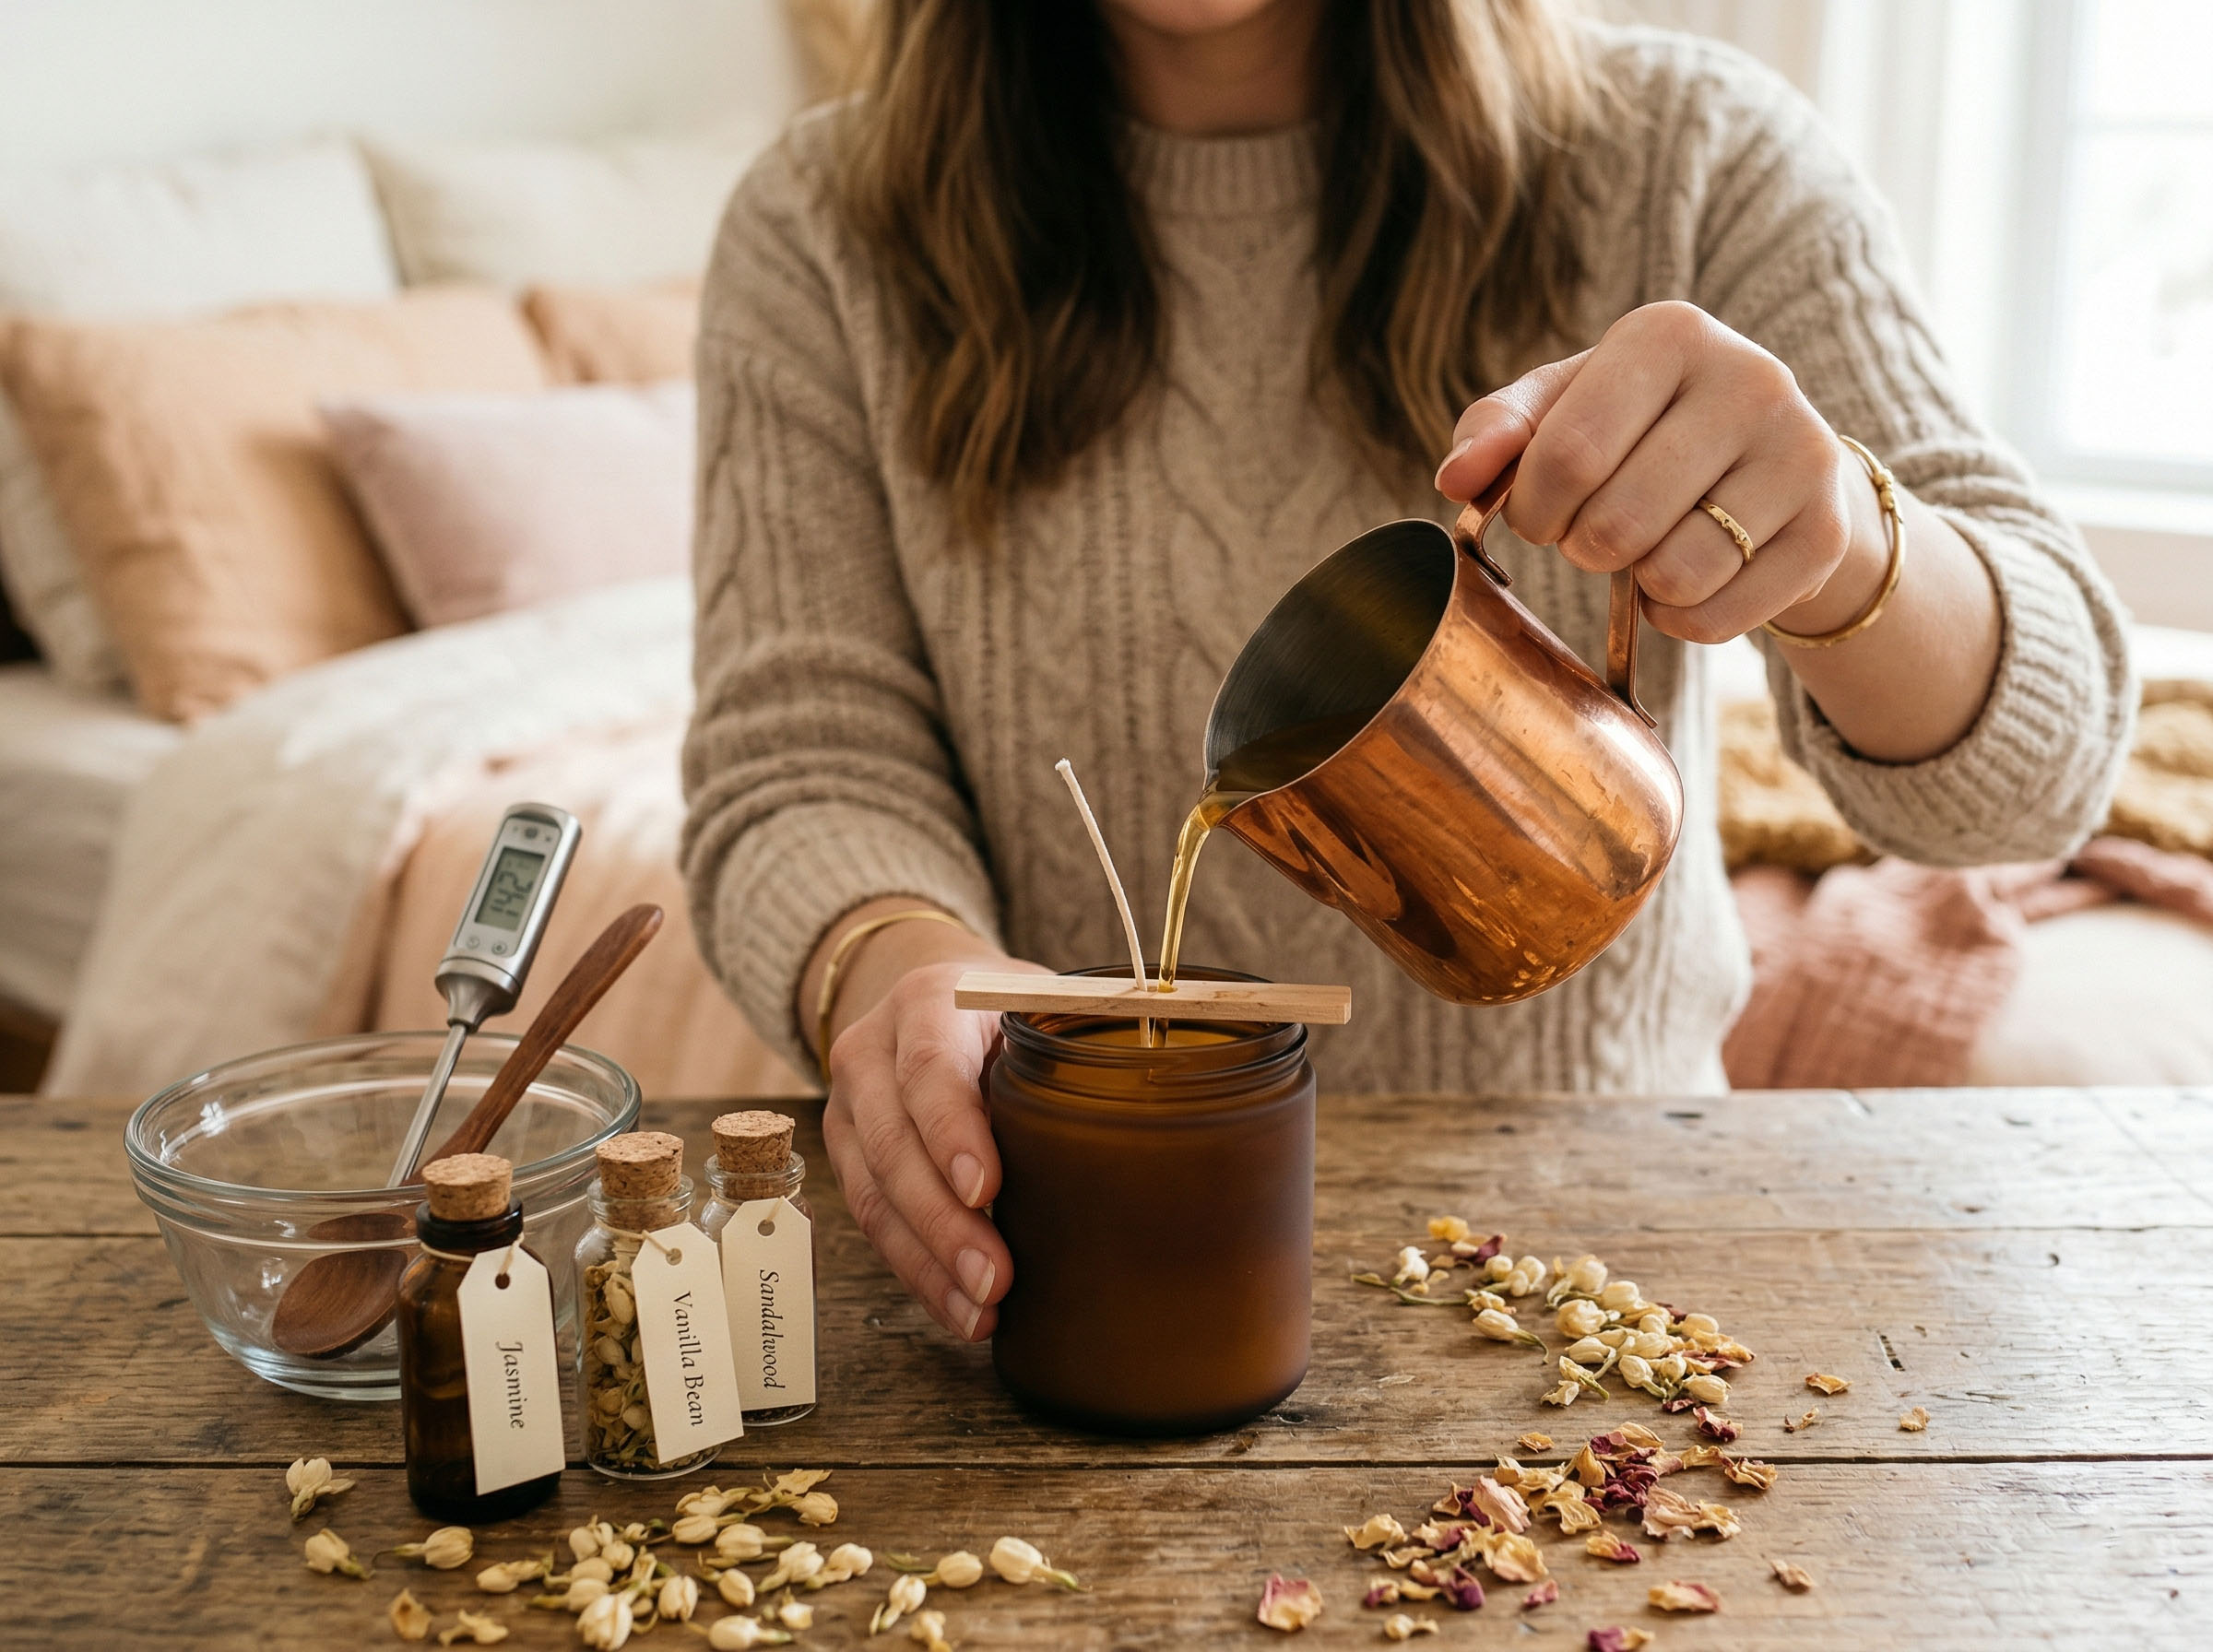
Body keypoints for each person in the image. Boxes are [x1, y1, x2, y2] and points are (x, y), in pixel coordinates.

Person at [681, 0, 2132, 1343]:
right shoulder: (823, 228)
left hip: (1598, 1294)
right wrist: (901, 961)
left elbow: (2039, 780)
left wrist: (1853, 553)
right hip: (1086, 1281)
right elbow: (805, 758)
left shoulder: (1694, 153)